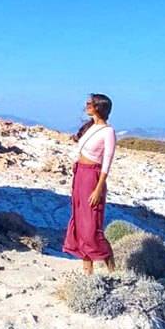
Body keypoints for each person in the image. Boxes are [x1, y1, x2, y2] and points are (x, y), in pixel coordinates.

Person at [62, 93, 117, 274]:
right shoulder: (90, 127)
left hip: (93, 178)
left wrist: (99, 187)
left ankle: (112, 268)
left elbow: (107, 161)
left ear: (99, 107)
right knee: (79, 220)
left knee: (91, 223)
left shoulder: (108, 131)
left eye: (90, 104)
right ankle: (87, 269)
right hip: (80, 175)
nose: (86, 106)